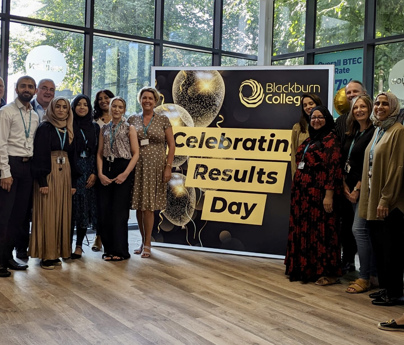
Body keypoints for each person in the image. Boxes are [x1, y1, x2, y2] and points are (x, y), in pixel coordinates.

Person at [285, 105, 342, 285]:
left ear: (327, 119)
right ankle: (304, 268)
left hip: (319, 196)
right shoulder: (310, 139)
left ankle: (326, 272)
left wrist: (329, 195)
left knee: (322, 233)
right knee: (304, 231)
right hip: (302, 197)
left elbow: (333, 170)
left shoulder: (331, 140)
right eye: (313, 117)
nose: (316, 120)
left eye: (320, 117)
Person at [358, 92, 404, 306]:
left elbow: (398, 168)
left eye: (385, 104)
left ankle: (394, 292)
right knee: (380, 248)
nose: (379, 107)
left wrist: (385, 199)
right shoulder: (379, 129)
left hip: (390, 204)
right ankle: (386, 288)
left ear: (394, 107)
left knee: (391, 250)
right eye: (377, 103)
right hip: (374, 200)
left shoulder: (398, 131)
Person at [29, 97, 78, 270]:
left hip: (65, 174)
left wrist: (73, 183)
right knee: (48, 214)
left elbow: (73, 157)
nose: (61, 110)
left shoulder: (69, 128)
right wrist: (42, 181)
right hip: (48, 174)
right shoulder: (45, 128)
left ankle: (58, 252)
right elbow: (40, 155)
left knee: (62, 214)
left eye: (65, 107)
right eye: (58, 106)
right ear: (52, 108)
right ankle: (46, 255)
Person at [128, 87, 175, 258]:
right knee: (140, 207)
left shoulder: (163, 120)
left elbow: (172, 144)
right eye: (144, 97)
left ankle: (148, 242)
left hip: (156, 166)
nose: (147, 100)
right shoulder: (132, 119)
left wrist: (168, 167)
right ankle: (142, 241)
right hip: (137, 166)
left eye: (150, 98)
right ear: (139, 99)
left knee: (148, 207)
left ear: (155, 101)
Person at [0, 75, 39, 277]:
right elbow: (1, 144)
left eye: (30, 86)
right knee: (4, 217)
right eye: (23, 86)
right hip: (11, 167)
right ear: (16, 89)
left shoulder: (34, 115)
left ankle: (7, 257)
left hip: (27, 167)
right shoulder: (6, 112)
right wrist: (4, 173)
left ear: (34, 91)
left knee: (19, 216)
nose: (27, 89)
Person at [97, 96, 139, 261]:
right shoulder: (104, 129)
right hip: (107, 167)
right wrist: (100, 173)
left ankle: (120, 251)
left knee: (119, 212)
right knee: (105, 211)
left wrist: (125, 173)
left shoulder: (130, 128)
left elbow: (136, 154)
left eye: (120, 107)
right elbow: (99, 153)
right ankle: (108, 250)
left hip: (123, 168)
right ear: (110, 108)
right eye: (114, 106)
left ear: (124, 110)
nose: (116, 109)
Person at [341, 95, 376, 293]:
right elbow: (347, 161)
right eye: (356, 107)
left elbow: (369, 165)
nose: (359, 110)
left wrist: (357, 189)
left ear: (369, 109)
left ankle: (364, 277)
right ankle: (373, 274)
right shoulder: (351, 133)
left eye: (363, 107)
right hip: (349, 189)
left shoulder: (374, 132)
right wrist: (345, 185)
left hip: (364, 190)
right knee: (364, 232)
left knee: (359, 231)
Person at [335, 80, 366, 273]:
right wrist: (342, 182)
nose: (352, 95)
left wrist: (356, 186)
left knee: (360, 230)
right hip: (343, 181)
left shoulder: (371, 123)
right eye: (349, 92)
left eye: (356, 92)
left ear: (364, 93)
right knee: (345, 225)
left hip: (362, 183)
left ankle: (367, 271)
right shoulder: (341, 121)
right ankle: (346, 262)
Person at [70, 95, 100, 259]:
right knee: (70, 209)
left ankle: (79, 246)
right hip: (72, 169)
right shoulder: (68, 124)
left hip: (89, 168)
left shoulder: (95, 128)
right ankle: (65, 244)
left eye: (85, 105)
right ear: (73, 107)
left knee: (83, 209)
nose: (82, 107)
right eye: (78, 104)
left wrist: (94, 172)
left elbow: (97, 152)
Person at [91, 89, 115, 252]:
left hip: (116, 165)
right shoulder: (94, 120)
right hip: (97, 163)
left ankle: (112, 237)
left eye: (106, 98)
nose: (103, 101)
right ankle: (98, 236)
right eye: (100, 99)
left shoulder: (122, 119)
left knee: (113, 204)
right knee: (100, 203)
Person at [290, 93, 323, 178]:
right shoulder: (297, 128)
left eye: (311, 104)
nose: (308, 107)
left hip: (320, 176)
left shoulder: (327, 127)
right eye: (305, 105)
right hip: (302, 176)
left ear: (317, 104)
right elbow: (294, 154)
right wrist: (295, 176)